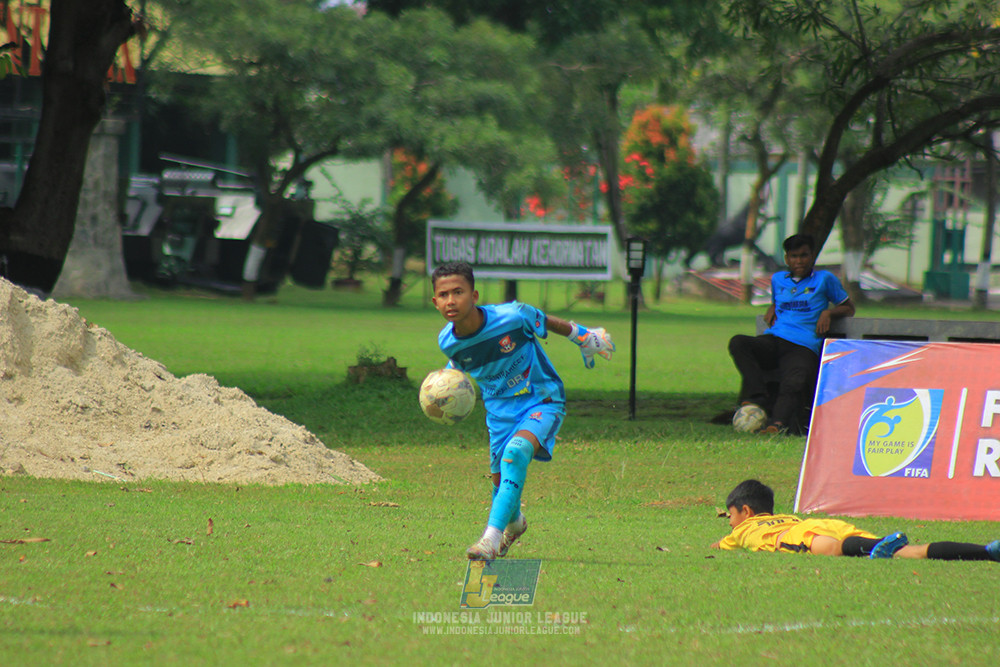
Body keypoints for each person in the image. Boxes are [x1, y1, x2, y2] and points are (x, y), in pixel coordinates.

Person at [430, 261, 614, 560]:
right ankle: (514, 523)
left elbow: (545, 320)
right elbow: (460, 367)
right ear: (435, 301)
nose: (451, 300)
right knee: (500, 482)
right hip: (499, 414)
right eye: (444, 294)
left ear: (474, 295)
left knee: (515, 454)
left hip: (541, 400)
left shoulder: (512, 316)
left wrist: (583, 336)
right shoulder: (447, 342)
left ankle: (489, 540)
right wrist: (447, 388)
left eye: (458, 292)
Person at [727, 233, 855, 434]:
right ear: (787, 259)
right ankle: (757, 396)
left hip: (803, 345)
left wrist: (829, 312)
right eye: (794, 256)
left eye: (804, 255)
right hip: (774, 339)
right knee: (738, 343)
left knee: (794, 380)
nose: (799, 261)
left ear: (812, 256)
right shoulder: (778, 279)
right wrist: (773, 306)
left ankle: (776, 425)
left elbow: (848, 307)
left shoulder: (825, 279)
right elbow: (782, 299)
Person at [712, 479, 1000, 561]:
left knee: (832, 549)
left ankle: (876, 548)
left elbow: (720, 545)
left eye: (731, 515)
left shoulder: (743, 530)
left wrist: (718, 545)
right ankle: (986, 552)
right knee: (904, 552)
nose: (730, 522)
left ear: (746, 511)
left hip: (798, 537)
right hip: (822, 524)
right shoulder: (786, 515)